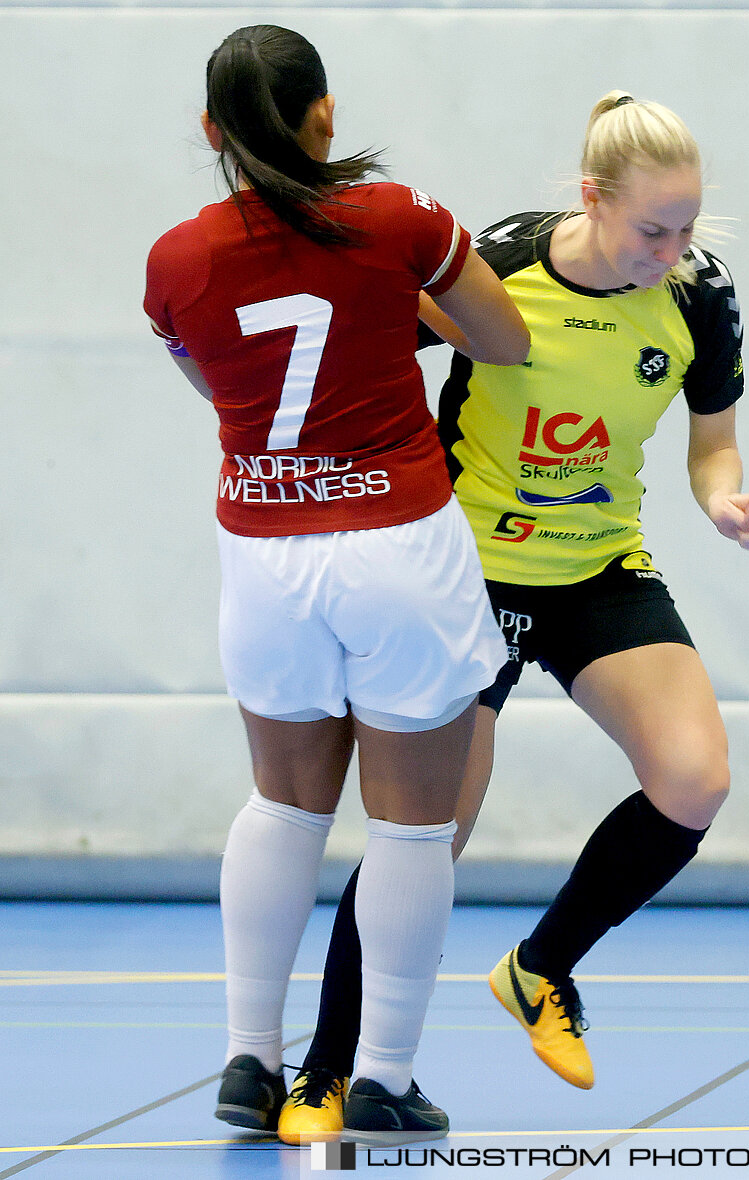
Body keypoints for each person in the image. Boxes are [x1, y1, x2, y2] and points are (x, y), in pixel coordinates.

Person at [275, 90, 749, 1143]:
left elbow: (712, 440)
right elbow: (368, 359)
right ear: (592, 198)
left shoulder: (699, 297)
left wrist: (725, 496)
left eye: (689, 228)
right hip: (469, 579)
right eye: (653, 229)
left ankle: (541, 966)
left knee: (695, 780)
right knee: (428, 833)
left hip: (598, 572)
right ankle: (323, 1071)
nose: (671, 250)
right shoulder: (496, 263)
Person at [142, 24, 528, 1146]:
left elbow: (213, 381)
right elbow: (501, 344)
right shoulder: (402, 218)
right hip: (398, 540)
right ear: (325, 113)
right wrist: (397, 315)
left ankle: (249, 1062)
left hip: (262, 551)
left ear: (211, 134)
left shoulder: (175, 259)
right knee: (411, 829)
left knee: (282, 803)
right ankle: (384, 1074)